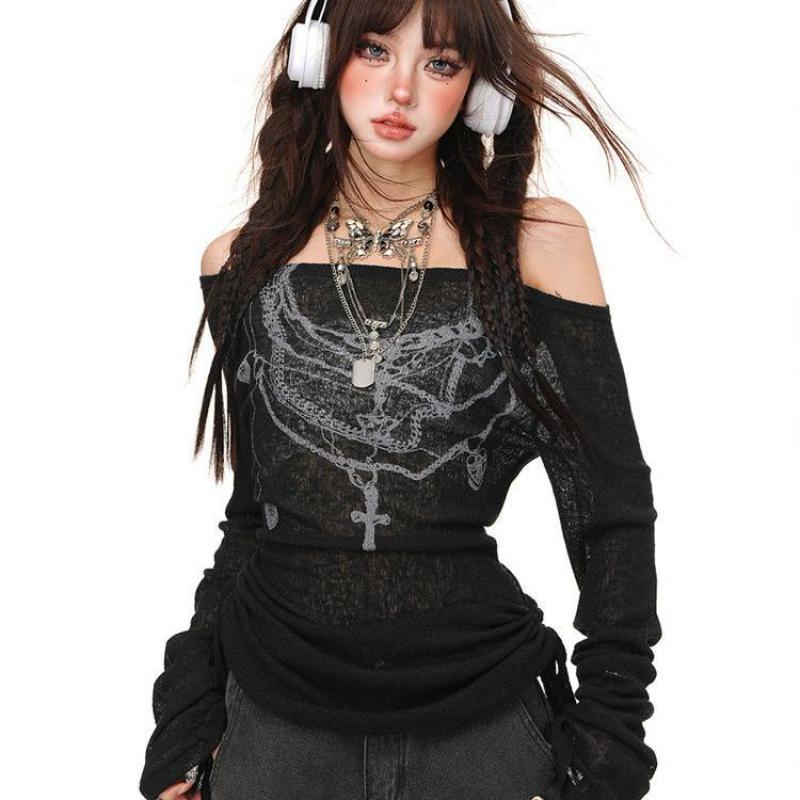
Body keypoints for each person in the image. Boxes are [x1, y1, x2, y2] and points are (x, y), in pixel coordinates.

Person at [139, 1, 661, 799]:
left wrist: (608, 743)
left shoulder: (539, 244)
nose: (402, 90)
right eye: (375, 50)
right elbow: (255, 518)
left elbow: (611, 510)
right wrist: (186, 720)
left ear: (481, 91)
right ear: (319, 55)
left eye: (440, 63)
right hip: (274, 734)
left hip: (483, 729)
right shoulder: (244, 262)